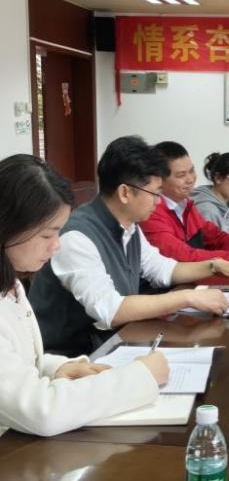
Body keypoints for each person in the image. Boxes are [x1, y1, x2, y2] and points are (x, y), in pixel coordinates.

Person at [29, 136, 229, 356]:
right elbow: (109, 309)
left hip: (117, 341)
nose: (158, 202)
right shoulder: (77, 237)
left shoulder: (130, 226)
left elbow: (161, 269)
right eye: (155, 194)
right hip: (75, 358)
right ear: (125, 193)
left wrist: (214, 266)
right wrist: (187, 297)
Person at [0, 154, 168, 436]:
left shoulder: (11, 282)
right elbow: (41, 411)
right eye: (47, 235)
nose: (56, 246)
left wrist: (56, 368)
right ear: (7, 226)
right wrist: (140, 378)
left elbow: (16, 362)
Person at [140, 143, 229, 266]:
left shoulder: (186, 205)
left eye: (192, 171)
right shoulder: (151, 213)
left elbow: (217, 238)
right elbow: (185, 257)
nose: (190, 179)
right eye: (181, 175)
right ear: (159, 180)